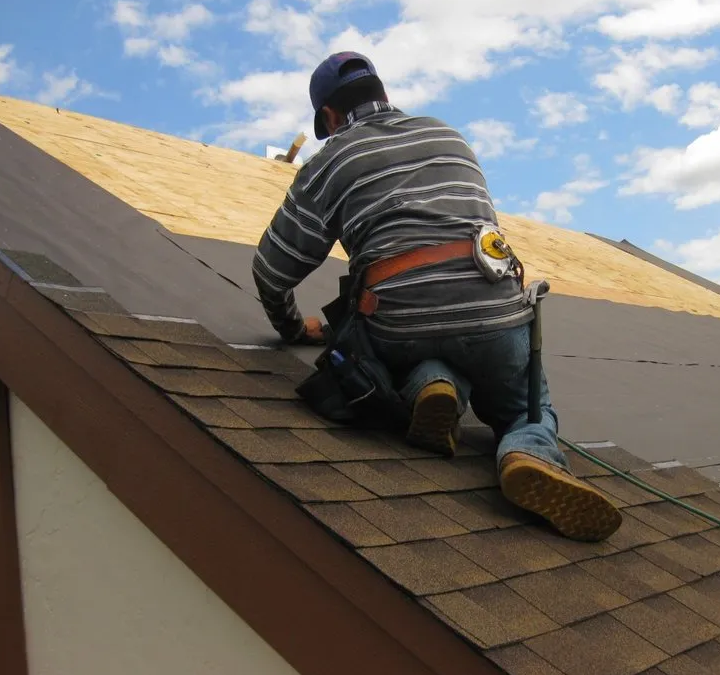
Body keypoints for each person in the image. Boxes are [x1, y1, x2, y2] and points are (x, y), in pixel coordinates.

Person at [252, 51, 621, 542]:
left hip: (400, 321)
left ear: (329, 117)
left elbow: (270, 272)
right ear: (383, 96)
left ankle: (430, 381)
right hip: (493, 306)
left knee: (391, 345)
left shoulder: (333, 159)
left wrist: (293, 328)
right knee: (524, 406)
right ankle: (528, 450)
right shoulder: (448, 136)